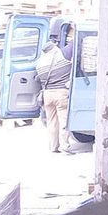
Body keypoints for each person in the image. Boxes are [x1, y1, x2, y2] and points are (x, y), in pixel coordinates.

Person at [35, 20, 74, 153]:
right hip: (61, 93)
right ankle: (64, 146)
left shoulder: (40, 63)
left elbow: (37, 79)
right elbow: (75, 44)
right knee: (64, 120)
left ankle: (53, 147)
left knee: (52, 122)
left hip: (47, 95)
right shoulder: (61, 55)